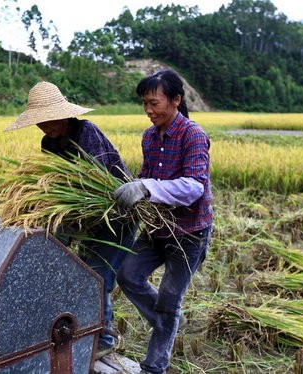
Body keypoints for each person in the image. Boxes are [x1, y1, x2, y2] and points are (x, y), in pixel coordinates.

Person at [5, 81, 136, 357]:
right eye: (39, 122)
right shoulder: (48, 143)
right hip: (88, 220)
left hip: (116, 215)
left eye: (49, 119)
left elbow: (96, 181)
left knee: (96, 277)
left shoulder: (85, 131)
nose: (45, 127)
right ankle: (87, 332)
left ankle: (104, 342)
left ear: (63, 113)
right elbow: (55, 185)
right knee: (82, 275)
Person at [113, 69, 213, 374]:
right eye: (144, 104)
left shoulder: (192, 135)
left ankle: (154, 366)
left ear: (175, 100)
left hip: (189, 233)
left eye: (154, 103)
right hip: (157, 228)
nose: (148, 110)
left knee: (170, 297)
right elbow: (147, 176)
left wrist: (146, 187)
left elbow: (195, 186)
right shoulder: (149, 136)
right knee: (127, 274)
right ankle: (168, 323)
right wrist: (134, 187)